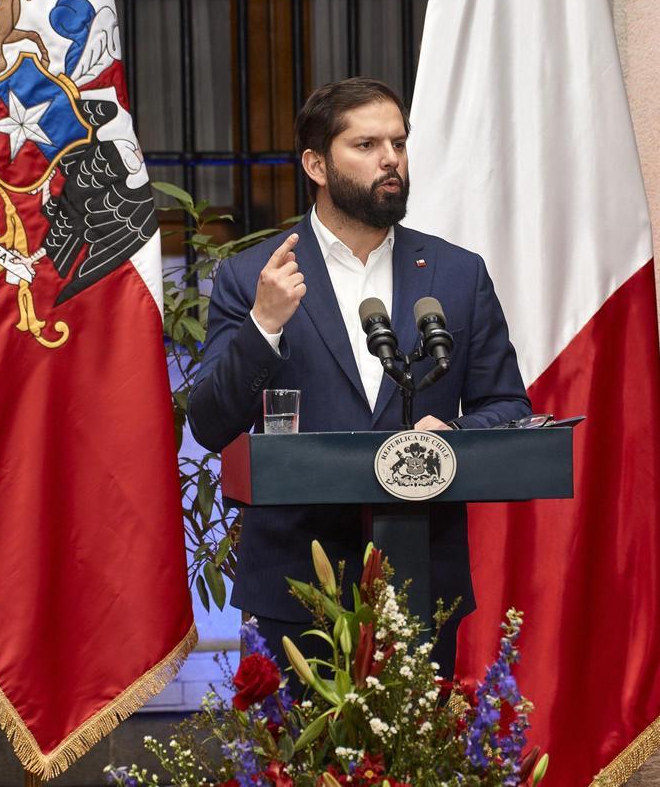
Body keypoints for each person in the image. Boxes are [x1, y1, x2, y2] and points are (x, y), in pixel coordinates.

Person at [188, 77, 530, 671]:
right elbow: (212, 423)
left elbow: (507, 405)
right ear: (316, 164)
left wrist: (456, 437)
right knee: (296, 766)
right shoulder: (254, 278)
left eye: (398, 143)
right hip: (296, 589)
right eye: (367, 145)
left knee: (419, 767)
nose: (391, 160)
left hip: (423, 577)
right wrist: (264, 325)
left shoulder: (455, 274)